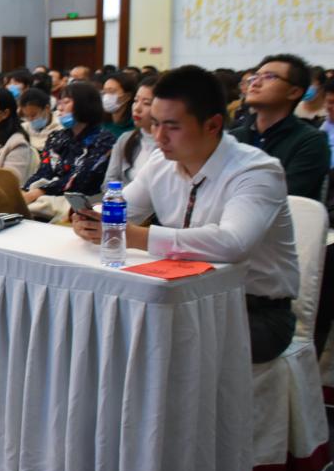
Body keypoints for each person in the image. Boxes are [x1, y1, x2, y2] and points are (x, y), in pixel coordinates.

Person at [71, 65, 299, 364]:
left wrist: (133, 235)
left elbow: (233, 242)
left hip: (254, 310)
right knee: (97, 323)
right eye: (155, 124)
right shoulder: (162, 162)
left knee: (149, 344)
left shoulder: (256, 172)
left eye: (172, 126)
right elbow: (124, 207)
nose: (159, 136)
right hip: (182, 296)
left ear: (212, 125)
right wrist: (93, 219)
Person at [229, 54, 329, 201]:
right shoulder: (233, 138)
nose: (255, 83)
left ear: (294, 92)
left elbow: (285, 196)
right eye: (255, 77)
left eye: (269, 77)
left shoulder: (310, 141)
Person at [23, 81, 115, 203]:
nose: (60, 108)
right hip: (48, 198)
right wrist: (26, 190)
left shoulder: (104, 140)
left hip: (83, 202)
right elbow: (43, 172)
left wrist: (41, 191)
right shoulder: (56, 137)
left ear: (85, 105)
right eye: (59, 103)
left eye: (66, 102)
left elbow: (82, 178)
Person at [104, 76, 157, 187]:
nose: (137, 108)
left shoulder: (169, 146)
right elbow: (109, 181)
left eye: (146, 103)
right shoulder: (126, 139)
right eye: (136, 101)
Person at [19, 88, 62, 152]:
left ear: (47, 108)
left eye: (33, 115)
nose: (30, 120)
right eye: (27, 116)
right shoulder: (23, 129)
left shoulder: (60, 128)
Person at [101, 72, 136, 138]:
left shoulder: (133, 127)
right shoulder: (101, 124)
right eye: (105, 92)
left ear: (127, 96)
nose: (106, 96)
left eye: (111, 91)